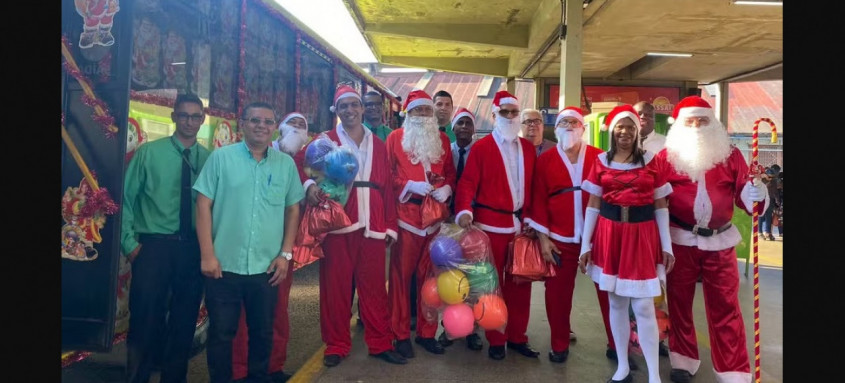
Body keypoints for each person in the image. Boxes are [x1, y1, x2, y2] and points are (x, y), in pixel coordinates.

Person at [656, 96, 769, 383]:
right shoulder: (665, 158)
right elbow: (653, 197)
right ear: (680, 125)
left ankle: (732, 369)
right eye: (690, 122)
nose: (696, 127)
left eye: (702, 121)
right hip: (679, 240)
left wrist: (756, 194)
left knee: (726, 307)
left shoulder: (730, 155)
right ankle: (683, 360)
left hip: (720, 243)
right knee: (679, 304)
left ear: (713, 123)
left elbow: (745, 190)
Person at [293, 85, 406, 367]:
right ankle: (336, 344)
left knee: (375, 289)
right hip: (338, 224)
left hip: (373, 224)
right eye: (344, 106)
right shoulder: (326, 140)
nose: (350, 110)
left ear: (363, 108)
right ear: (337, 111)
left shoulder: (378, 143)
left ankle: (380, 342)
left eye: (354, 105)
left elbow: (388, 189)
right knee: (335, 288)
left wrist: (390, 225)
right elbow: (298, 162)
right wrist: (308, 185)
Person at [194, 101, 304, 383]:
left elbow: (293, 208)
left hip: (267, 267)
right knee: (221, 333)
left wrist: (286, 253)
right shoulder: (221, 158)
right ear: (243, 124)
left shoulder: (285, 165)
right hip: (223, 265)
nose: (261, 126)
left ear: (275, 128)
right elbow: (203, 204)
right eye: (255, 120)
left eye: (268, 122)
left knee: (263, 332)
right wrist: (208, 254)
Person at [578, 104, 675, 383]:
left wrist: (666, 246)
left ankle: (654, 375)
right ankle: (622, 366)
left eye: (630, 127)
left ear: (637, 131)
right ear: (613, 131)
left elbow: (661, 206)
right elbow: (593, 205)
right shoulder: (601, 162)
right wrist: (586, 245)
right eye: (620, 126)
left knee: (644, 305)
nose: (625, 132)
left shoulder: (652, 161)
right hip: (610, 235)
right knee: (616, 303)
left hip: (641, 235)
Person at [121, 93, 210, 383]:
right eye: (183, 115)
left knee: (184, 322)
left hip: (193, 249)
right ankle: (137, 378)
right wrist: (131, 246)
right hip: (153, 248)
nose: (189, 121)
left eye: (195, 116)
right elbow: (125, 200)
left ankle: (174, 378)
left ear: (202, 119)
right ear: (173, 117)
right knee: (145, 319)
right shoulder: (149, 153)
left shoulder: (209, 160)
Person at [454, 90, 538, 361]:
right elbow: (467, 184)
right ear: (495, 115)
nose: (511, 116)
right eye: (505, 112)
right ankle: (496, 338)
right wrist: (464, 210)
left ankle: (517, 336)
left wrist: (533, 220)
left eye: (515, 112)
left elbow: (535, 188)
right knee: (491, 287)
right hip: (489, 227)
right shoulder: (482, 147)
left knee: (520, 285)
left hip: (520, 227)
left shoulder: (527, 148)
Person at [524, 106, 607, 364]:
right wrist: (544, 239)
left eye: (574, 122)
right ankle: (559, 344)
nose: (569, 126)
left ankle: (618, 344)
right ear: (556, 128)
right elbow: (538, 200)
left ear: (582, 127)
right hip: (559, 240)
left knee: (609, 293)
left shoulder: (599, 157)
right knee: (557, 295)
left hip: (598, 239)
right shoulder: (546, 160)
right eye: (564, 122)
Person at [385, 89, 457, 357]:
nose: (423, 115)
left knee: (430, 281)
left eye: (427, 110)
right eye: (417, 110)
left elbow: (449, 172)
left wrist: (448, 188)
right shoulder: (394, 139)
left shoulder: (442, 140)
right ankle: (400, 333)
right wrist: (407, 185)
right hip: (407, 219)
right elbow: (386, 177)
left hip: (434, 221)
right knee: (401, 280)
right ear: (408, 113)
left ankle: (427, 333)